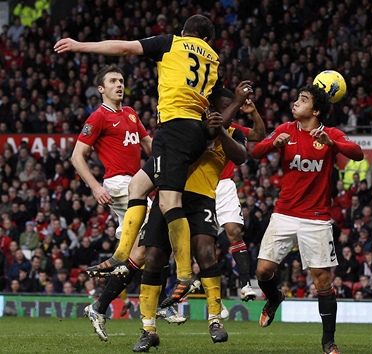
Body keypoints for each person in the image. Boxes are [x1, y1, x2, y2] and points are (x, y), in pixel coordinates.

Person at [55, 15, 252, 305]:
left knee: (169, 203)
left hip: (175, 129)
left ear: (185, 33)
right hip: (193, 132)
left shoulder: (172, 43)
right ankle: (121, 254)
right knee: (138, 186)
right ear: (207, 40)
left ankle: (185, 274)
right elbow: (220, 109)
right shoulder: (213, 59)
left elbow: (123, 48)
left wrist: (79, 45)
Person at [71, 65, 185, 342]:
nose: (119, 85)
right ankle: (161, 304)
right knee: (160, 231)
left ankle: (98, 307)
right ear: (101, 89)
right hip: (120, 185)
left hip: (139, 185)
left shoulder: (131, 113)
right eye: (112, 81)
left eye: (121, 80)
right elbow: (77, 156)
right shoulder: (98, 117)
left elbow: (148, 145)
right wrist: (96, 186)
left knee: (141, 253)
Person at [251, 85, 364, 354]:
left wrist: (331, 143)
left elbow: (357, 153)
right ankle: (275, 296)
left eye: (302, 100)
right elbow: (254, 153)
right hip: (284, 212)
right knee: (263, 271)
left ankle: (328, 342)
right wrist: (271, 143)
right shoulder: (286, 129)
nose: (295, 102)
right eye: (297, 98)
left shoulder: (330, 134)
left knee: (322, 280)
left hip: (316, 218)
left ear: (314, 110)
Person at [133, 97, 247, 352]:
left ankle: (215, 319)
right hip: (170, 194)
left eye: (228, 103)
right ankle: (148, 329)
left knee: (205, 250)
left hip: (202, 198)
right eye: (219, 103)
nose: (221, 107)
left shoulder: (235, 132)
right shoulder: (192, 125)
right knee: (152, 257)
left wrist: (220, 132)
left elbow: (240, 157)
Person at [213, 88, 265, 301]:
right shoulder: (200, 126)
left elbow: (260, 135)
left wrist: (253, 112)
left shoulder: (234, 129)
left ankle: (245, 284)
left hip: (224, 186)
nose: (231, 111)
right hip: (200, 186)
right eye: (226, 107)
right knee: (203, 243)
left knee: (234, 231)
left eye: (232, 107)